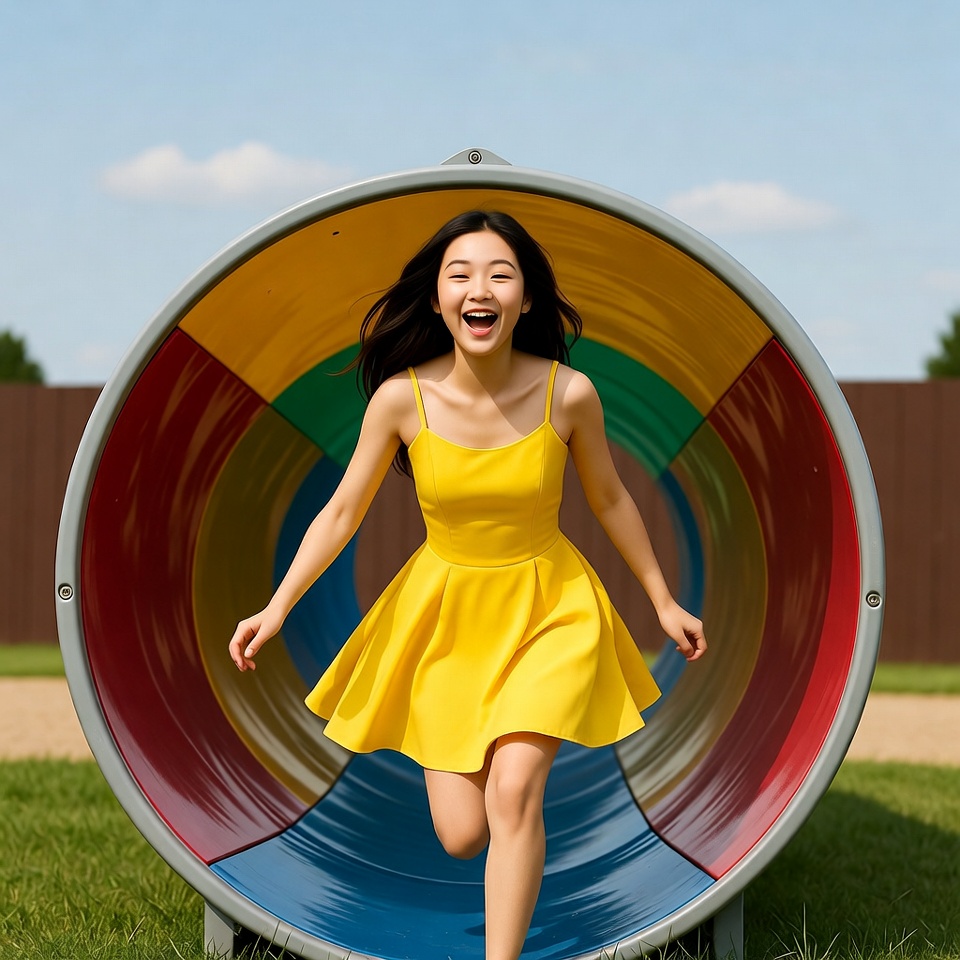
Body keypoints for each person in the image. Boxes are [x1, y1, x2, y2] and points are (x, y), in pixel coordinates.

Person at [228, 209, 706, 960]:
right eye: (461, 274)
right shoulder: (400, 400)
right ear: (437, 299)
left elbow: (611, 498)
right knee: (462, 835)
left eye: (499, 274)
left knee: (515, 792)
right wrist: (277, 607)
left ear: (524, 300)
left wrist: (662, 598)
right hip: (442, 617)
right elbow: (342, 509)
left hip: (551, 606)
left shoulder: (568, 393)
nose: (478, 288)